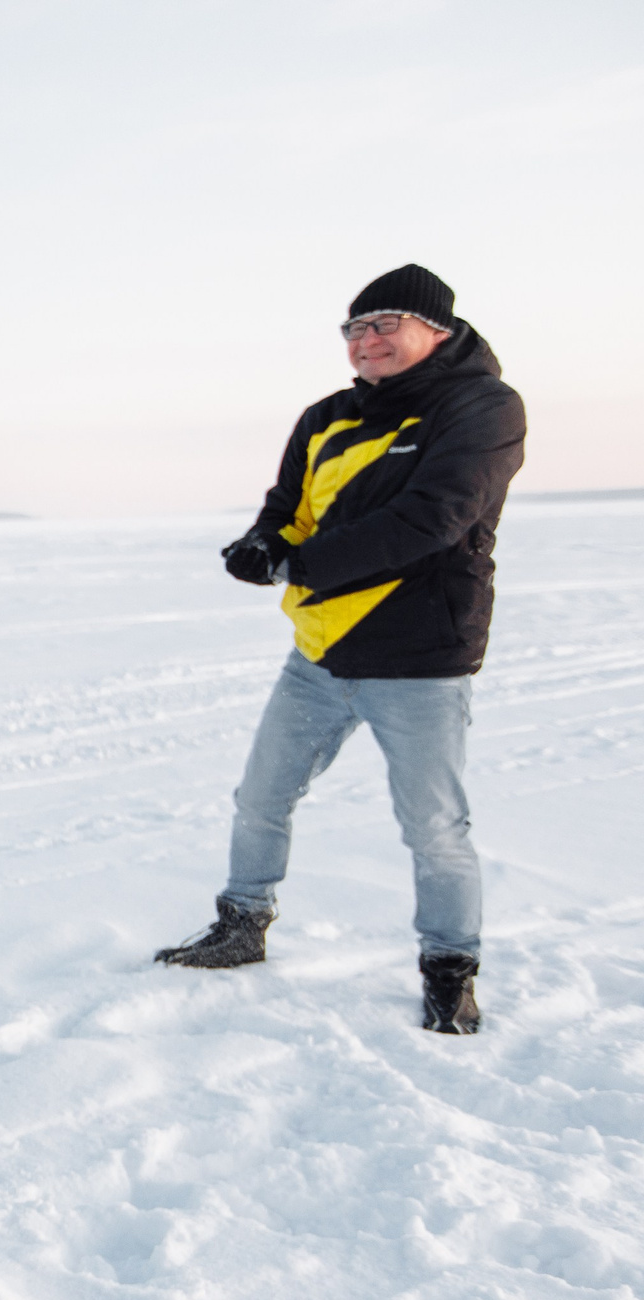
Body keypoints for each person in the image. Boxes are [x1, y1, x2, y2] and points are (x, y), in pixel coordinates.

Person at [157, 265, 525, 1034]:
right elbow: (286, 508)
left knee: (434, 828)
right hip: (319, 653)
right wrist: (261, 545)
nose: (367, 340)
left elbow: (433, 518)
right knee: (260, 797)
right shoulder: (326, 415)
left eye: (386, 323)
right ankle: (241, 925)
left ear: (439, 330)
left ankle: (449, 969)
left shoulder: (483, 408)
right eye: (355, 328)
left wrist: (298, 563)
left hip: (420, 658)